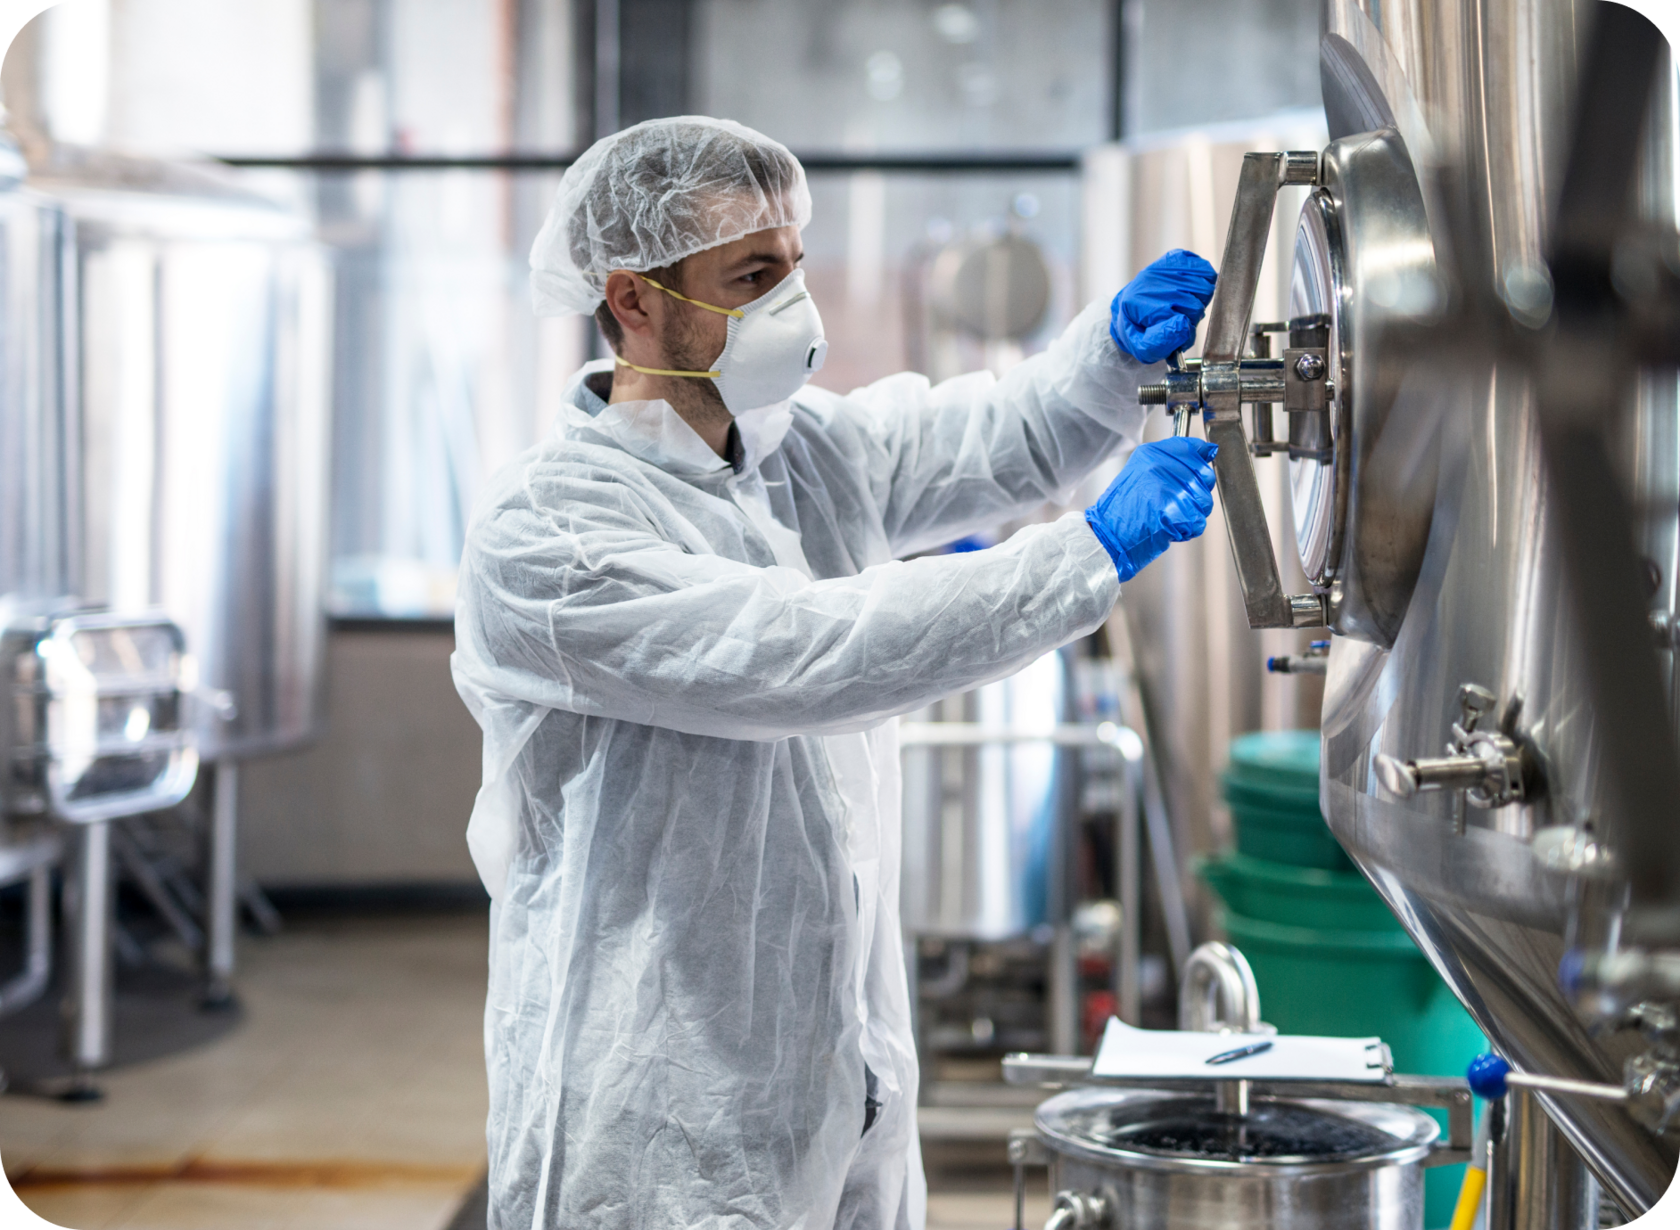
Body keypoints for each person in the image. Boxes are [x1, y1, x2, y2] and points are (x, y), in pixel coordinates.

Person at [452, 116, 1219, 1230]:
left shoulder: (800, 453)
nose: (790, 307)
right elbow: (808, 650)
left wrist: (1106, 360)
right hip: (656, 1103)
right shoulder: (550, 536)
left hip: (839, 1072)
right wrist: (1085, 553)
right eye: (750, 276)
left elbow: (988, 437)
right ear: (631, 300)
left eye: (792, 267)